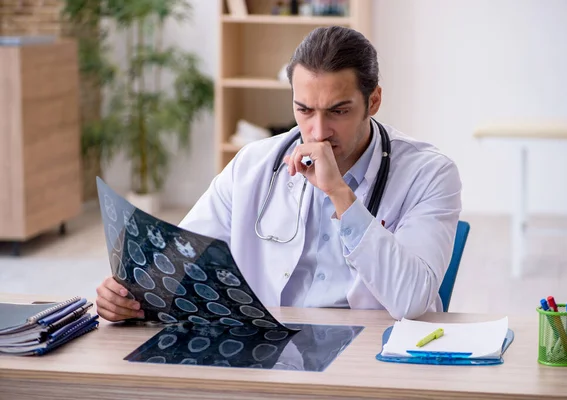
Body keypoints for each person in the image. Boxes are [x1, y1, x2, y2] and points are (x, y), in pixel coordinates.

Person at [96, 26, 462, 322]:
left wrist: (341, 196)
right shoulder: (253, 166)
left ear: (374, 101)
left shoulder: (429, 174)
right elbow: (181, 261)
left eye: (338, 111)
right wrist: (128, 294)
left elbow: (412, 301)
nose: (318, 132)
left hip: (372, 355)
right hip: (272, 349)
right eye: (304, 110)